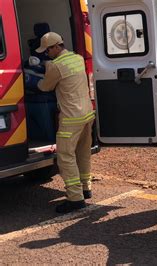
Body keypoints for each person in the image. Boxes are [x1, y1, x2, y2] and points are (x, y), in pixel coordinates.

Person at [36, 32, 95, 213]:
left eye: (47, 51)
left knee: (65, 157)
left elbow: (44, 87)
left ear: (55, 47)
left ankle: (75, 199)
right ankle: (85, 188)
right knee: (83, 153)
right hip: (87, 114)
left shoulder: (56, 65)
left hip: (71, 118)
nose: (46, 54)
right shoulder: (77, 58)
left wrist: (34, 78)